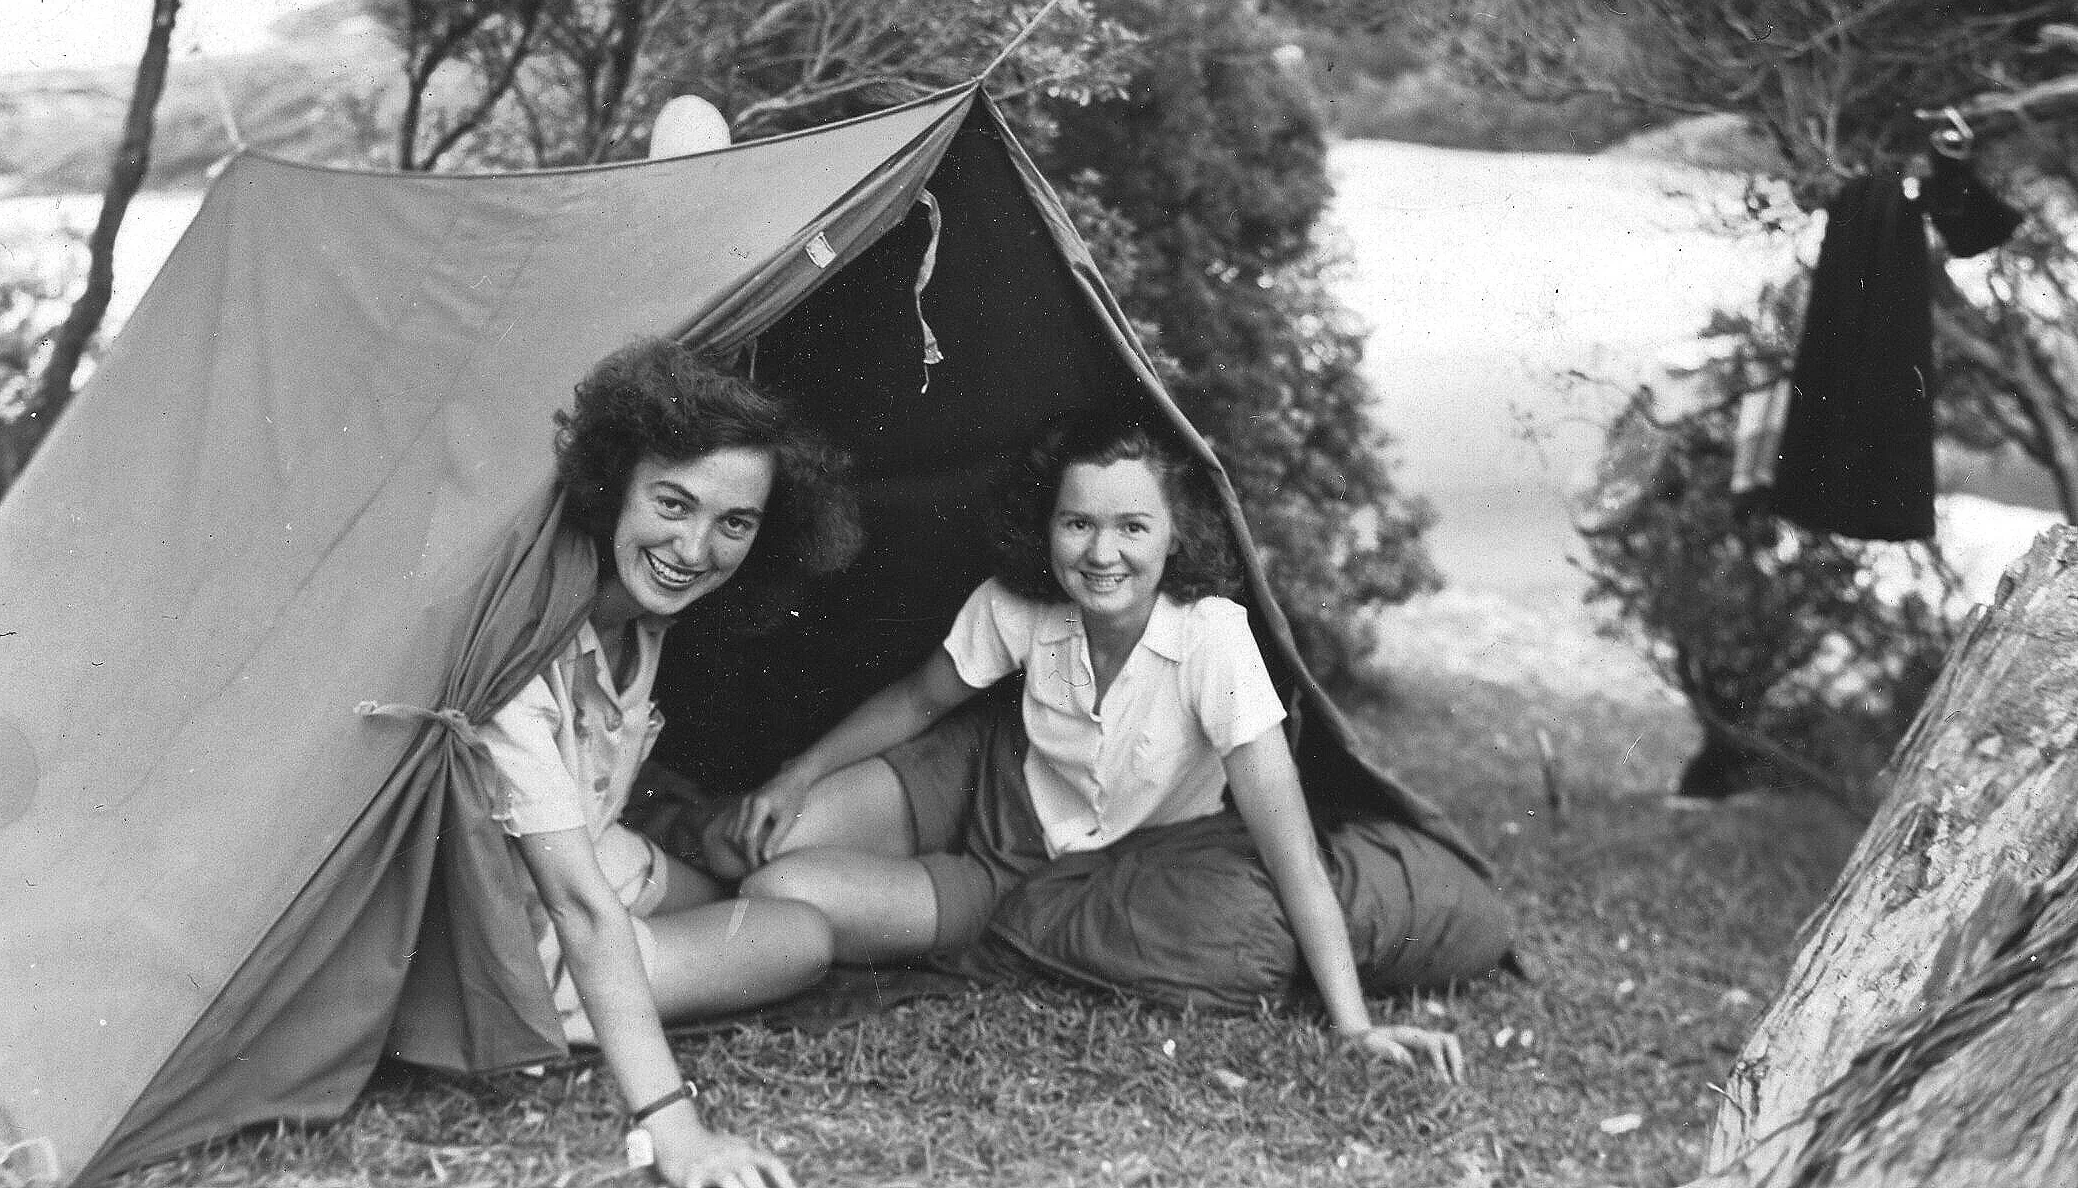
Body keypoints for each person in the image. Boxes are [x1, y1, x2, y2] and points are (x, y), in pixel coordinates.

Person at [713, 409, 1465, 1081]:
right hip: (980, 774)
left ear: (1177, 535)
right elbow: (917, 700)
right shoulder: (1021, 604)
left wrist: (1354, 1026)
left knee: (779, 891)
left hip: (1029, 876)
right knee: (748, 843)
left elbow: (1291, 848)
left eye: (1133, 526)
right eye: (1077, 523)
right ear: (1048, 526)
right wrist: (797, 773)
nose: (1102, 553)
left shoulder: (1212, 639)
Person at [481, 337, 861, 1188]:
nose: (694, 549)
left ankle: (642, 962)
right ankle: (607, 998)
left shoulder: (641, 620)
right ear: (614, 486)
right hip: (522, 934)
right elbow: (579, 908)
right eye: (673, 504)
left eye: (735, 523)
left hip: (586, 852)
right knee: (800, 936)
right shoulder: (522, 652)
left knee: (734, 892)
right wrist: (675, 1131)